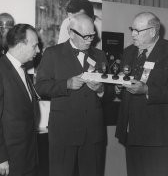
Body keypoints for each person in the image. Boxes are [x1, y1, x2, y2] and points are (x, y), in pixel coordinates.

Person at [35, 14, 107, 176]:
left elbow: (108, 93)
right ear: (71, 32)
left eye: (92, 35)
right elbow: (40, 87)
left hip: (93, 133)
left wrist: (100, 90)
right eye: (86, 36)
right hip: (63, 132)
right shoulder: (52, 53)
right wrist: (66, 84)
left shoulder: (100, 56)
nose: (90, 40)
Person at [115, 12, 168, 176]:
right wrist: (118, 89)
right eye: (132, 29)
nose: (132, 34)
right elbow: (124, 82)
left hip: (156, 136)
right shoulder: (128, 51)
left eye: (138, 31)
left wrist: (147, 90)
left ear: (152, 31)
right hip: (130, 131)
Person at [0, 24, 40, 176]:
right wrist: (1, 157)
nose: (38, 50)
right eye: (35, 46)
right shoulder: (1, 69)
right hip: (10, 159)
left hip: (28, 155)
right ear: (20, 44)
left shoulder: (21, 70)